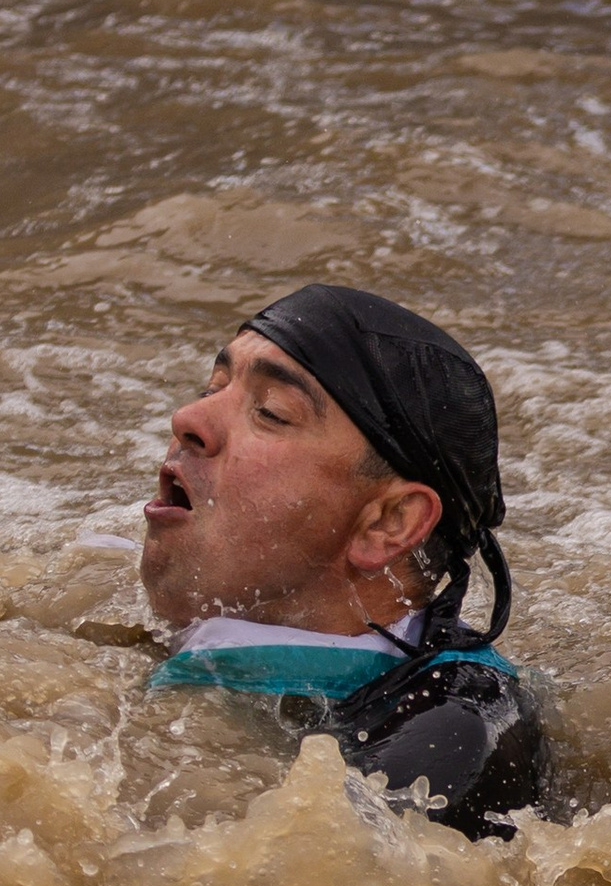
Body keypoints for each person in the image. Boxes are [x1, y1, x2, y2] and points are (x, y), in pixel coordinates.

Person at [138, 283, 543, 843]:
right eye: (214, 387)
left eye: (272, 413)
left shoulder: (453, 735)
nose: (188, 417)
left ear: (388, 523)